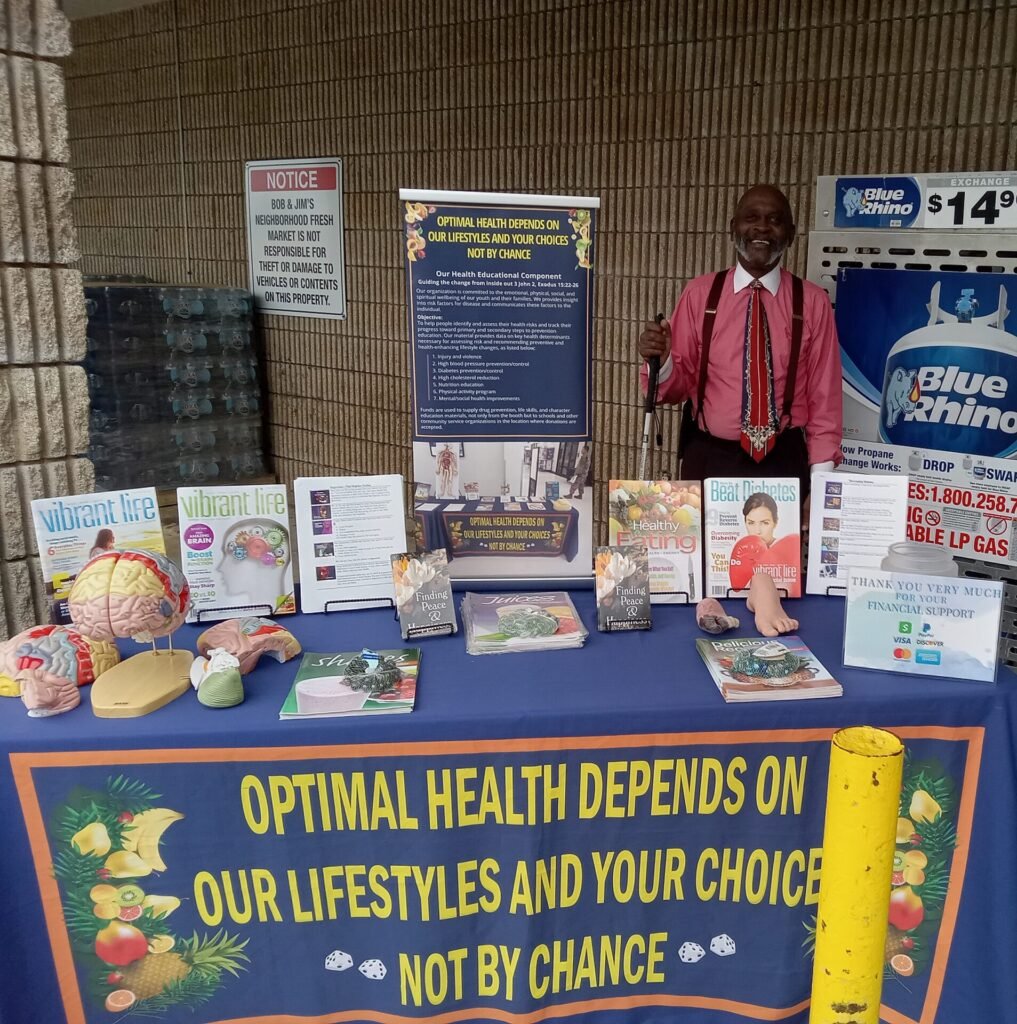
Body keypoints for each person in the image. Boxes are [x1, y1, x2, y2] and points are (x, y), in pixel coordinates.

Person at [637, 184, 843, 497]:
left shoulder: (813, 303)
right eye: (751, 218)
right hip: (710, 459)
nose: (762, 227)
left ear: (790, 233)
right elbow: (673, 390)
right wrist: (663, 361)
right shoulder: (700, 295)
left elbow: (824, 401)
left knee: (776, 546)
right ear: (734, 227)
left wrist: (821, 489)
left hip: (783, 462)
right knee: (706, 548)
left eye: (775, 220)